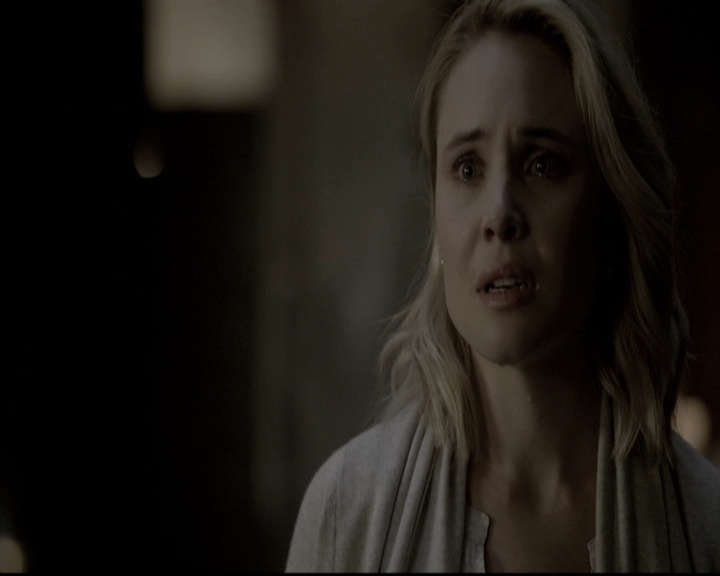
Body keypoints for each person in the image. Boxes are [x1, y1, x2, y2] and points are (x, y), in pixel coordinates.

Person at [285, 0, 720, 571]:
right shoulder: (349, 512)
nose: (500, 214)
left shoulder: (705, 525)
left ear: (611, 207)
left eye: (542, 164)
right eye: (468, 168)